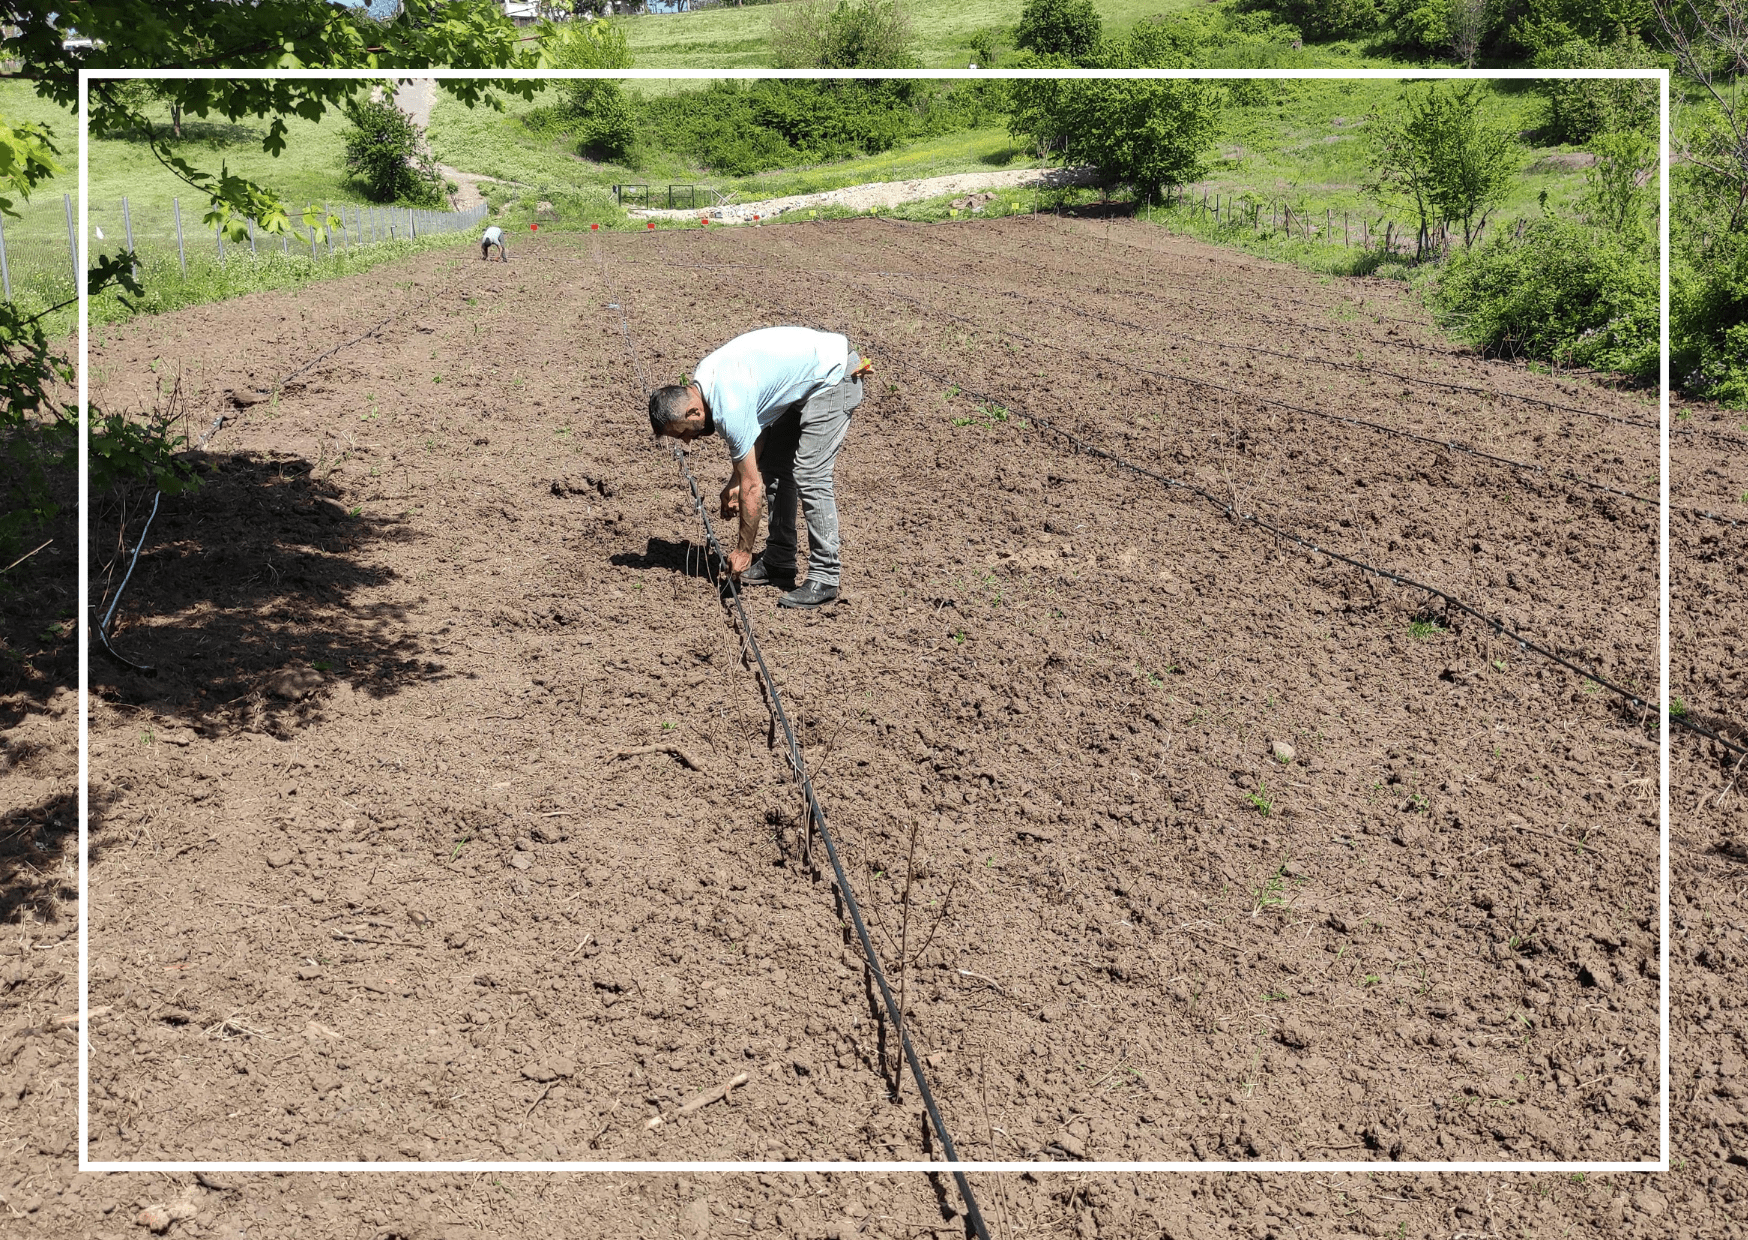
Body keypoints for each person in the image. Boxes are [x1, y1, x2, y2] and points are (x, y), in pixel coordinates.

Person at [647, 326, 871, 610]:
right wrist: (734, 481)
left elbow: (753, 488)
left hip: (833, 377)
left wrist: (743, 550)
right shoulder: (704, 380)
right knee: (776, 467)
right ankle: (779, 560)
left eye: (683, 433)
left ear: (694, 411)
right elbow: (757, 430)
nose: (688, 441)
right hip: (805, 384)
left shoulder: (728, 404)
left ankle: (826, 576)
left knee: (810, 474)